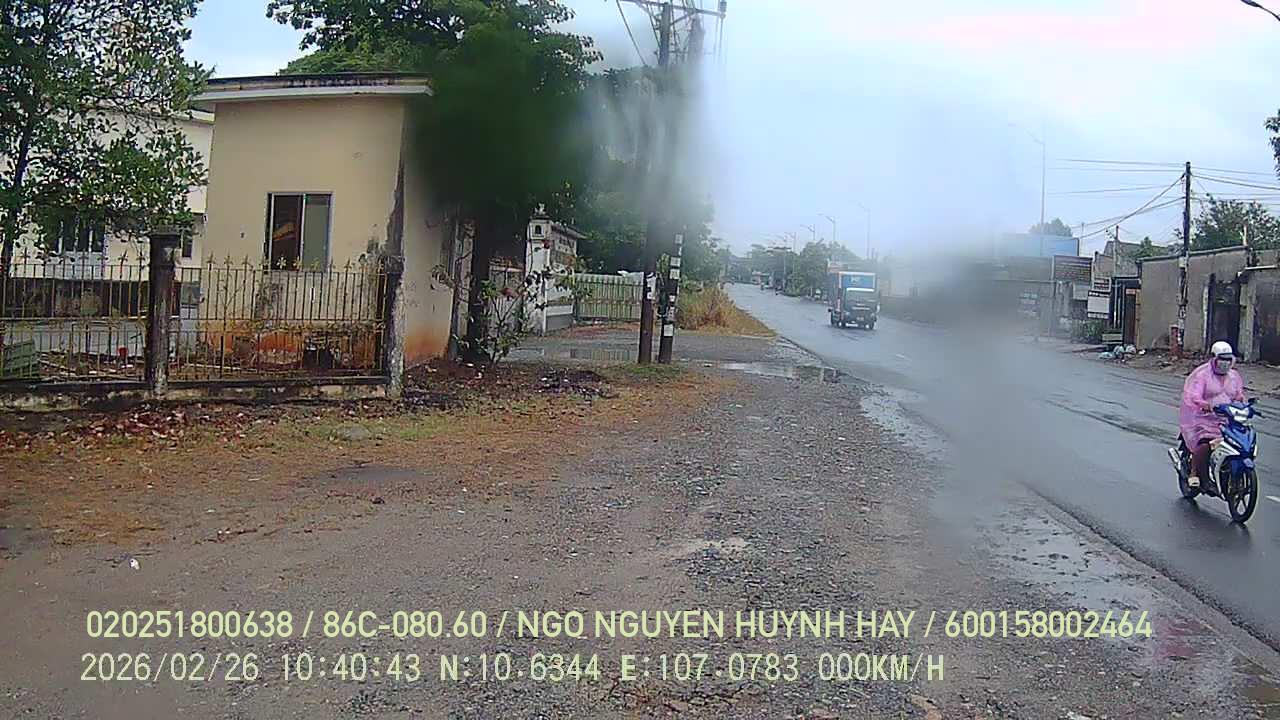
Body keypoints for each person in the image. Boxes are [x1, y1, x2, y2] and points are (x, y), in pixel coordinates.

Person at [1174, 341, 1246, 489]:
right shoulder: (1203, 375)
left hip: (1226, 419)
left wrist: (1241, 401)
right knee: (1205, 445)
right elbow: (1194, 395)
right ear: (1214, 358)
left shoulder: (1234, 376)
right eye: (1222, 359)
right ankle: (1195, 473)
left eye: (1228, 359)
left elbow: (1238, 394)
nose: (1225, 363)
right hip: (1203, 418)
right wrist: (1204, 405)